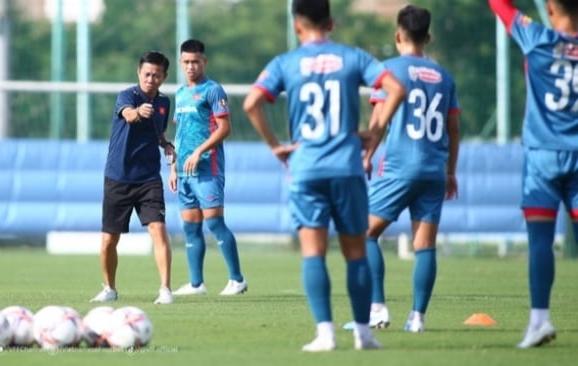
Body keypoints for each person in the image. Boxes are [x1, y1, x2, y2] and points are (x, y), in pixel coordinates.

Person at [243, 0, 405, 352]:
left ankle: (326, 334)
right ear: (331, 23)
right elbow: (396, 89)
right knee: (355, 252)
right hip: (347, 168)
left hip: (306, 169)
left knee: (313, 254)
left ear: (297, 25)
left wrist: (275, 146)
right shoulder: (353, 57)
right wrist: (374, 132)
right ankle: (363, 334)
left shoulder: (285, 63)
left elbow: (251, 103)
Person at [341, 4, 460, 333]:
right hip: (435, 168)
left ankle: (377, 309)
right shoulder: (445, 76)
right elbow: (454, 129)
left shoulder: (389, 70)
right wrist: (451, 171)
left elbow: (379, 118)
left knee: (364, 233)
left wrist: (367, 155)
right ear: (429, 37)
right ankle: (417, 318)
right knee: (425, 245)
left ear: (397, 35)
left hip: (399, 166)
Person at [489, 0, 578, 348]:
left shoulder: (536, 36)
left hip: (542, 158)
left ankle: (539, 320)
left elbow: (499, 4)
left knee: (540, 240)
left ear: (551, 9)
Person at [90, 51, 176, 305]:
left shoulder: (164, 103)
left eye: (156, 75)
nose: (151, 78)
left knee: (158, 230)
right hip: (118, 177)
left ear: (164, 77)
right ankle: (109, 288)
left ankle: (165, 290)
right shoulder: (127, 96)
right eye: (147, 73)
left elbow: (158, 132)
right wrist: (138, 112)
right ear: (139, 73)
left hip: (149, 178)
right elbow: (128, 115)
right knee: (109, 240)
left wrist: (167, 145)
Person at [169, 39, 247, 296]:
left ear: (204, 62)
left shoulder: (213, 90)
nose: (191, 66)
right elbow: (179, 133)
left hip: (208, 168)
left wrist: (200, 151)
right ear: (181, 63)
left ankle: (237, 279)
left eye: (195, 61)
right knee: (190, 227)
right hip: (184, 172)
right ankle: (196, 284)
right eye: (186, 62)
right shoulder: (180, 93)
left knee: (214, 223)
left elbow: (225, 128)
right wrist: (173, 168)